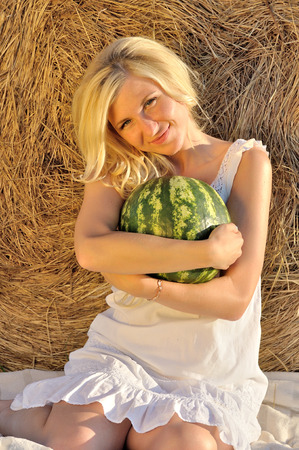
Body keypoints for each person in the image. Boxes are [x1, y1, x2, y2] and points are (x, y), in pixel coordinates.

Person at [0, 36, 272, 450]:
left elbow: (234, 298)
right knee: (74, 441)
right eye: (125, 123)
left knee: (184, 446)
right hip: (125, 356)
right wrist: (204, 253)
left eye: (150, 102)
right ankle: (30, 417)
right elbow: (91, 249)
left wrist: (146, 286)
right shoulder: (124, 166)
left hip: (207, 373)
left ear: (172, 83)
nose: (147, 129)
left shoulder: (247, 163)